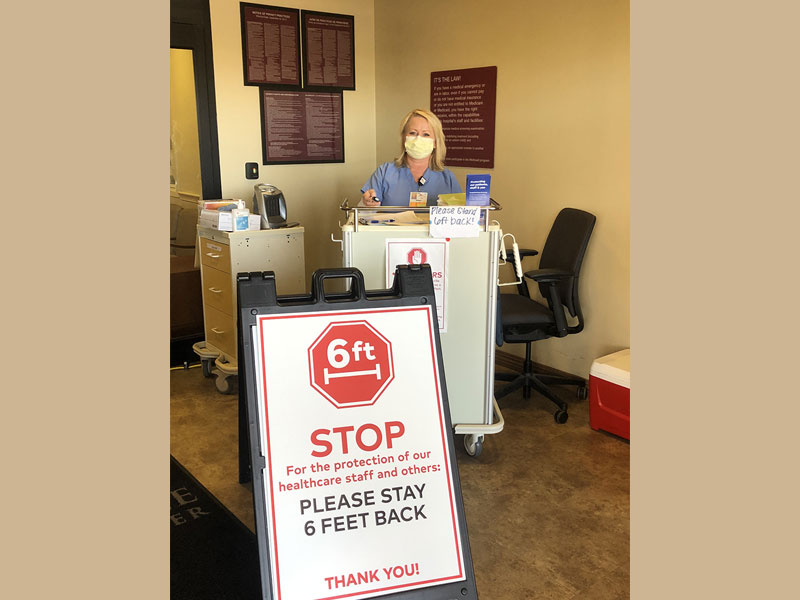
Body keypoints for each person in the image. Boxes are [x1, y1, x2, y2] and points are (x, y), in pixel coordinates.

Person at [360, 109, 461, 207]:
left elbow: (460, 216)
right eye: (413, 133)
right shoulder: (384, 173)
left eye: (426, 134)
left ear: (435, 143)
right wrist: (368, 202)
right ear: (404, 138)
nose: (418, 139)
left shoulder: (448, 179)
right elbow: (366, 212)